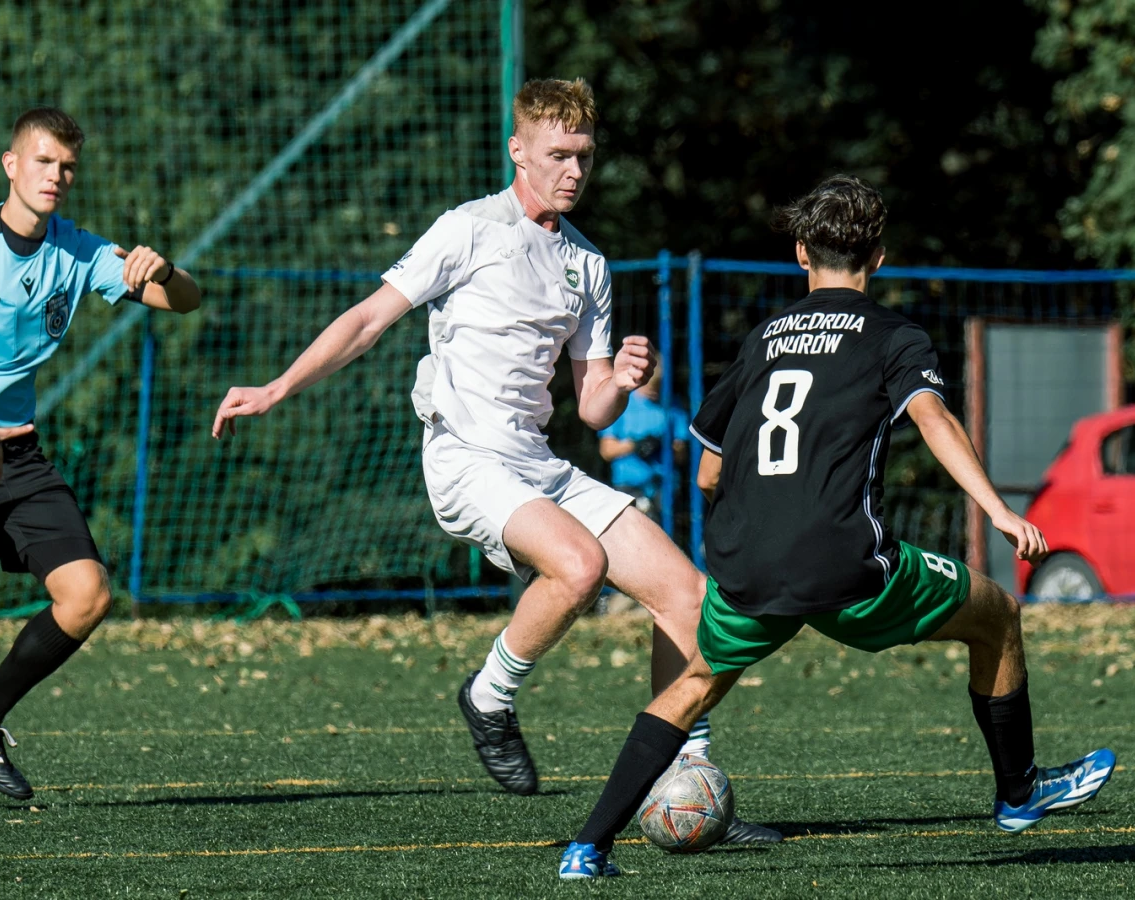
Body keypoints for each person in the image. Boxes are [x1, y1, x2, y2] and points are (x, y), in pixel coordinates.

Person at [212, 78, 777, 844]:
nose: (574, 170)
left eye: (584, 156)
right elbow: (369, 320)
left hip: (537, 464)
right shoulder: (469, 229)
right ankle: (489, 696)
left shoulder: (588, 264)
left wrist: (622, 379)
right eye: (559, 155)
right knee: (578, 566)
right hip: (465, 458)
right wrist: (277, 387)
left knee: (686, 595)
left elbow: (593, 409)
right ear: (519, 150)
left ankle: (690, 779)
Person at [558, 174, 1115, 879]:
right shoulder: (893, 336)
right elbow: (933, 418)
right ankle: (1019, 791)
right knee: (997, 613)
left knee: (695, 682)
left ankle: (588, 847)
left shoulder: (764, 339)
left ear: (801, 253)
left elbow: (707, 472)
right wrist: (998, 510)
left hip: (747, 564)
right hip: (845, 566)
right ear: (878, 256)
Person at [0, 107, 201, 800]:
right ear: (11, 165)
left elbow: (186, 300)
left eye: (67, 166)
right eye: (43, 161)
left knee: (87, 594)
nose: (55, 175)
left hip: (17, 459)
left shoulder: (78, 251)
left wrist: (166, 270)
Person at [598, 354, 688, 523]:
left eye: (659, 385)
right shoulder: (622, 403)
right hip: (629, 486)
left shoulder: (673, 406)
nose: (654, 391)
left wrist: (663, 446)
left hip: (663, 486)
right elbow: (606, 450)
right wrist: (635, 445)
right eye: (650, 385)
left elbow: (681, 454)